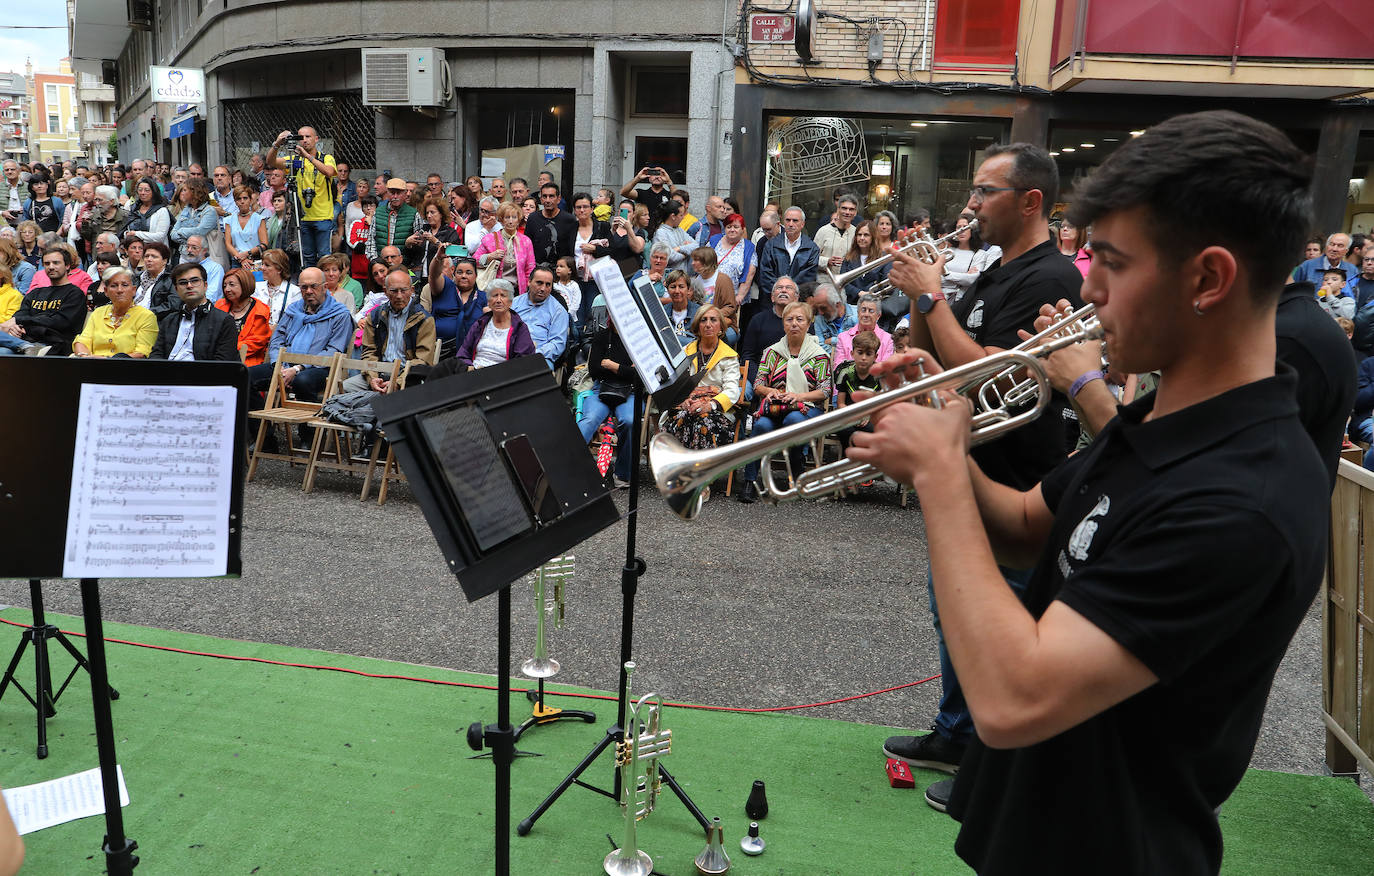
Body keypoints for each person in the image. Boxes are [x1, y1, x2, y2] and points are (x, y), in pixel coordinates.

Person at [848, 109, 1331, 876]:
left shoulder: (1244, 500)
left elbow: (1011, 701)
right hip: (1038, 824)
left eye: (1112, 261)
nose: (1090, 289)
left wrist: (940, 475)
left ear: (1208, 279)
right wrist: (936, 421)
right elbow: (1022, 524)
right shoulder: (1162, 415)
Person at [880, 141, 1084, 792]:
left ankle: (992, 762)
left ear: (1030, 203)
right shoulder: (995, 273)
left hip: (1016, 478)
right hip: (970, 467)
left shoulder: (1051, 277)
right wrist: (918, 292)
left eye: (982, 192)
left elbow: (994, 374)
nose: (969, 206)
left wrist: (935, 296)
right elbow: (925, 351)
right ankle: (957, 732)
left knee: (999, 617)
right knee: (952, 607)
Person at [740, 300, 831, 499]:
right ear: (783, 324)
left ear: (808, 323)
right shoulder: (772, 352)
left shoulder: (819, 355)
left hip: (807, 407)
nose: (794, 324)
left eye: (800, 319)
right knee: (762, 426)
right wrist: (770, 391)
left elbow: (824, 391)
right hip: (775, 407)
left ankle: (797, 469)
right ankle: (751, 481)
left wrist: (798, 396)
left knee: (794, 421)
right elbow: (758, 384)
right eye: (789, 319)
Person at [248, 266, 352, 403]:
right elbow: (277, 340)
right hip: (284, 365)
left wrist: (298, 368)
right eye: (304, 287)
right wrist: (279, 365)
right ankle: (260, 422)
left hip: (319, 368)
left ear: (325, 287)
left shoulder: (340, 314)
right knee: (245, 376)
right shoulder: (293, 309)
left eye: (313, 286)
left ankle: (308, 425)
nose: (308, 291)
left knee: (301, 381)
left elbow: (333, 351)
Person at [660, 304, 743, 452]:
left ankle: (699, 471)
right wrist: (683, 401)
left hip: (717, 411)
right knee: (682, 418)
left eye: (713, 320)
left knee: (702, 421)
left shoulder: (729, 357)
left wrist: (710, 405)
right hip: (686, 406)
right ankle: (681, 470)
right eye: (703, 320)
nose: (708, 324)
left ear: (721, 328)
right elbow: (676, 384)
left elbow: (732, 390)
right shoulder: (686, 352)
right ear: (697, 327)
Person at [345, 268, 436, 391]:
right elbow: (369, 351)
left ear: (412, 291)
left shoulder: (423, 319)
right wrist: (372, 378)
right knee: (344, 388)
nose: (399, 296)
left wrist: (397, 382)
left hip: (408, 377)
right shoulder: (375, 315)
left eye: (403, 290)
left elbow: (423, 360)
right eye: (393, 291)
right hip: (379, 372)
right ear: (385, 291)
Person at [576, 316, 638, 488]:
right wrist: (625, 369)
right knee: (589, 420)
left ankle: (623, 473)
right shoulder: (602, 336)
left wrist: (613, 366)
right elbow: (595, 369)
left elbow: (638, 375)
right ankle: (572, 468)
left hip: (630, 391)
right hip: (602, 388)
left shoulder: (637, 338)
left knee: (629, 421)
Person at [266, 127, 337, 269]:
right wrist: (277, 143)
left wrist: (307, 157)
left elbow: (329, 172)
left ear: (316, 139)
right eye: (301, 137)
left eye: (308, 136)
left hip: (322, 216)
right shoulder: (295, 160)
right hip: (303, 217)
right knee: (307, 257)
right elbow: (271, 162)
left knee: (324, 257)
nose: (304, 140)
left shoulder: (326, 158)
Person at [0, 246, 87, 356]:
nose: (51, 267)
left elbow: (60, 322)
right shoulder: (35, 293)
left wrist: (21, 321)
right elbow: (21, 314)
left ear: (67, 265)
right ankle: (25, 346)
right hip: (26, 340)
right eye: (47, 263)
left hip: (54, 344)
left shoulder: (74, 293)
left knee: (3, 352)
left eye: (56, 263)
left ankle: (26, 346)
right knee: (3, 352)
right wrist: (15, 327)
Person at [150, 262, 241, 362]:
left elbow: (222, 364)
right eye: (183, 282)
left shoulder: (224, 321)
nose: (189, 286)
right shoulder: (169, 320)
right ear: (176, 289)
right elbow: (156, 355)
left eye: (195, 281)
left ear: (205, 285)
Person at [69, 266, 157, 358]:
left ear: (133, 290)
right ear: (106, 291)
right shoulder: (98, 313)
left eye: (125, 285)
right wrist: (85, 357)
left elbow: (142, 353)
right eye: (114, 286)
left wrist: (106, 360)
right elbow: (82, 342)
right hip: (93, 366)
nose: (119, 290)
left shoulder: (146, 316)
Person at [453, 279, 535, 369]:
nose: (498, 300)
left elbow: (522, 362)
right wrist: (469, 367)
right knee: (448, 365)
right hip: (474, 372)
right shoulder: (480, 324)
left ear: (510, 302)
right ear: (488, 302)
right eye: (495, 295)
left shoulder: (519, 328)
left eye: (503, 296)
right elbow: (463, 353)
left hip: (501, 376)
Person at [738, 275, 799, 396]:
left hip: (792, 378)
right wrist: (759, 381)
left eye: (788, 288)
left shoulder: (802, 323)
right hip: (759, 375)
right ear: (772, 297)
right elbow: (748, 355)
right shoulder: (758, 320)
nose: (783, 290)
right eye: (779, 288)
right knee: (741, 392)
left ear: (796, 298)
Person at [425, 251, 485, 358]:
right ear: (454, 274)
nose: (463, 276)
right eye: (460, 272)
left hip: (472, 352)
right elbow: (433, 275)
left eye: (469, 273)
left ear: (476, 276)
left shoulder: (483, 297)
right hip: (440, 350)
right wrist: (438, 258)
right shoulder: (446, 287)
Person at [756, 206, 820, 302]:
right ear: (783, 222)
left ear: (802, 224)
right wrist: (780, 293)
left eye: (795, 221)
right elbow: (765, 274)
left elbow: (808, 278)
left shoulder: (812, 248)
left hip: (799, 301)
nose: (790, 224)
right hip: (773, 301)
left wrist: (791, 294)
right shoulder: (770, 245)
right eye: (788, 220)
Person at [511, 264, 569, 368]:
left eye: (548, 285)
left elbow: (557, 344)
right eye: (539, 283)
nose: (543, 288)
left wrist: (534, 353)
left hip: (540, 357)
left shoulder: (558, 311)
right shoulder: (514, 304)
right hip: (511, 353)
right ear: (529, 282)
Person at [831, 329, 881, 448]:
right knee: (844, 430)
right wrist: (854, 416)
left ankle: (868, 462)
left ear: (875, 356)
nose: (863, 357)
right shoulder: (845, 372)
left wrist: (868, 415)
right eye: (860, 352)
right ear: (852, 353)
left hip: (870, 416)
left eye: (868, 354)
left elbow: (880, 405)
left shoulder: (879, 375)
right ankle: (848, 459)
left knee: (873, 430)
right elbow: (841, 403)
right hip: (848, 415)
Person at [473, 203, 535, 296]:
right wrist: (490, 256)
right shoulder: (489, 239)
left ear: (518, 220)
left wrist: (526, 289)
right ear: (501, 220)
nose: (510, 221)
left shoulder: (526, 241)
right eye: (507, 217)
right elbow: (474, 261)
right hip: (494, 291)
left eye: (514, 217)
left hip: (518, 291)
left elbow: (530, 268)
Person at [216, 266, 272, 364]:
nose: (227, 289)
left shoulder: (260, 311)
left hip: (248, 360)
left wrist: (226, 348)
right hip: (219, 358)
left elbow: (257, 342)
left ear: (245, 285)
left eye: (232, 285)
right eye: (224, 286)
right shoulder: (219, 306)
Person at [941, 213, 1000, 303]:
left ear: (972, 230)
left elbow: (972, 279)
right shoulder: (948, 251)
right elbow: (937, 276)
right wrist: (963, 276)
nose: (961, 230)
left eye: (965, 227)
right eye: (958, 227)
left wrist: (947, 275)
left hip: (959, 301)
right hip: (939, 297)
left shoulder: (979, 254)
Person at [169, 179, 220, 267]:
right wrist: (188, 241)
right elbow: (173, 234)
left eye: (185, 190)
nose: (182, 193)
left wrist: (182, 231)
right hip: (185, 255)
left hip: (203, 257)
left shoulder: (209, 211)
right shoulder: (186, 209)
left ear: (194, 191)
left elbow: (200, 232)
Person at [406, 197, 460, 279]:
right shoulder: (422, 230)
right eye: (427, 213)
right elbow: (412, 256)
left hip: (438, 275)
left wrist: (435, 241)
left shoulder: (450, 232)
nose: (429, 216)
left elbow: (452, 255)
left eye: (432, 212)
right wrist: (408, 244)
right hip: (418, 275)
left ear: (441, 214)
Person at [524, 182, 577, 266]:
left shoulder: (569, 220)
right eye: (544, 196)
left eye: (551, 196)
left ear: (558, 199)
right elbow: (527, 246)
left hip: (561, 270)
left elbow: (571, 249)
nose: (547, 200)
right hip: (537, 269)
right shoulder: (533, 218)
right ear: (541, 199)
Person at [834, 293, 894, 366]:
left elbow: (886, 369)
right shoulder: (843, 338)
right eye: (863, 310)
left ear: (878, 316)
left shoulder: (888, 340)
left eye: (871, 311)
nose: (866, 314)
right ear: (858, 313)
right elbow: (838, 368)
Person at [711, 212, 756, 306]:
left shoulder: (749, 247)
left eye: (736, 227)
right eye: (729, 227)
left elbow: (749, 274)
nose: (732, 230)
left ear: (742, 229)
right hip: (710, 293)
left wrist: (739, 297)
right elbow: (704, 261)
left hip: (732, 297)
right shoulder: (714, 240)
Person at [838, 219, 887, 302]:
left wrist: (870, 293)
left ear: (873, 237)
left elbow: (885, 282)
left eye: (866, 235)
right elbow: (844, 282)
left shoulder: (884, 258)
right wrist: (859, 292)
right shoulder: (848, 258)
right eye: (859, 235)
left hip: (875, 302)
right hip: (852, 302)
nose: (862, 238)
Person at [814, 193, 859, 278]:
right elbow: (811, 258)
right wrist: (827, 261)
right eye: (844, 208)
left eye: (851, 209)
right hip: (824, 281)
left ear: (855, 213)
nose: (847, 212)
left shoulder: (857, 233)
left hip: (848, 283)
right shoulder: (823, 231)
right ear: (838, 210)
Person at [224, 185, 268, 269]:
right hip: (236, 260)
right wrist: (241, 258)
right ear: (235, 202)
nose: (242, 201)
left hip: (255, 260)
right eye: (239, 199)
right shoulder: (229, 220)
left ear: (250, 200)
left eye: (245, 198)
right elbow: (228, 244)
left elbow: (264, 244)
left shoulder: (258, 219)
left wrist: (247, 253)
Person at [620, 166, 675, 232]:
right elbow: (623, 192)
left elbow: (679, 200)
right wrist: (638, 178)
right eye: (654, 174)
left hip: (664, 232)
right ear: (649, 177)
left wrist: (668, 181)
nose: (657, 177)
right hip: (644, 232)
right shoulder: (642, 193)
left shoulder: (669, 194)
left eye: (660, 174)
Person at [374, 178, 417, 261]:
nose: (395, 196)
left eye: (399, 193)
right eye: (392, 193)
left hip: (405, 264)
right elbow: (371, 241)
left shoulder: (414, 213)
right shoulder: (378, 212)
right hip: (381, 263)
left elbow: (419, 243)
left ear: (405, 194)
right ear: (387, 193)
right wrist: (375, 261)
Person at [254, 248, 300, 327]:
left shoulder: (294, 292)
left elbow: (295, 320)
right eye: (262, 264)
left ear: (279, 269)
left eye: (267, 265)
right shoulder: (255, 288)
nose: (262, 268)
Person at [809, 283, 858, 357]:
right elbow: (820, 346)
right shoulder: (819, 319)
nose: (820, 313)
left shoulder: (859, 315)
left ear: (837, 305)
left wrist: (832, 340)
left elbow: (860, 344)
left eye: (823, 308)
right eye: (817, 308)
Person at [1292, 232, 1358, 286]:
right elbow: (1293, 291)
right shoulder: (1307, 266)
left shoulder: (1352, 270)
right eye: (1331, 244)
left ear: (1346, 251)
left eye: (1340, 246)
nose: (1334, 249)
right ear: (1326, 246)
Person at [122, 176, 170, 249]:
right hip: (135, 251)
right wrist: (127, 234)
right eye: (140, 190)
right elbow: (126, 230)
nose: (143, 193)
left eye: (147, 190)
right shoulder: (133, 208)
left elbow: (160, 236)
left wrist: (136, 234)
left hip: (155, 251)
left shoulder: (161, 211)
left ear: (153, 192)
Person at [133, 240, 176, 318]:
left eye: (154, 256)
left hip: (154, 320)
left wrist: (146, 313)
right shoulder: (137, 277)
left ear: (164, 261)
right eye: (146, 256)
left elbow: (172, 305)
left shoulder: (172, 279)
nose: (149, 259)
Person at [652, 199, 697, 272]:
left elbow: (696, 246)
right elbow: (669, 256)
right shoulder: (661, 233)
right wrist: (686, 254)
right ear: (673, 216)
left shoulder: (680, 230)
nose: (683, 217)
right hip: (670, 276)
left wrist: (679, 248)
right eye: (681, 215)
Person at [182, 235, 224, 303]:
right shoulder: (184, 267)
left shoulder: (215, 268)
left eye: (194, 248)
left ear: (204, 250)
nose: (189, 250)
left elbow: (212, 295)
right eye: (187, 247)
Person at [663, 269, 699, 345]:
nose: (677, 291)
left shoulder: (699, 312)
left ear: (688, 290)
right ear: (667, 290)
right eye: (673, 287)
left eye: (681, 287)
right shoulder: (662, 313)